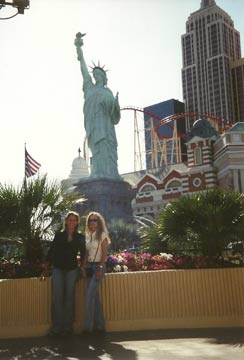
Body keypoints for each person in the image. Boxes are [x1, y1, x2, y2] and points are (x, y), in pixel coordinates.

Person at [74, 32, 121, 180]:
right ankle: (97, 173)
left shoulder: (108, 92)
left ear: (104, 77)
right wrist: (78, 47)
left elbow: (115, 117)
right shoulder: (89, 87)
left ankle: (109, 173)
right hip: (93, 123)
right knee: (97, 148)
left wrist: (116, 105)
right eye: (94, 74)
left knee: (107, 147)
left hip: (106, 125)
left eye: (99, 74)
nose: (96, 76)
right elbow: (82, 68)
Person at [44, 211, 86, 336]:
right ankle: (57, 327)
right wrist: (46, 267)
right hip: (58, 269)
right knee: (57, 297)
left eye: (74, 220)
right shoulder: (59, 235)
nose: (72, 222)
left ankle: (68, 327)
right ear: (66, 221)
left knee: (69, 298)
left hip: (72, 270)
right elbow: (51, 251)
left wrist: (82, 267)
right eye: (70, 220)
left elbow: (84, 254)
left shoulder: (80, 237)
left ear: (77, 222)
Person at [81, 211, 110, 334]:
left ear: (99, 222)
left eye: (94, 220)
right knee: (95, 298)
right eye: (90, 220)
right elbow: (87, 254)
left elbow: (104, 253)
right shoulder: (88, 236)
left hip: (98, 267)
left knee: (89, 296)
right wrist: (83, 267)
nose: (92, 222)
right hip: (89, 267)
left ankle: (87, 328)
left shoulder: (102, 235)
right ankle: (100, 326)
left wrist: (100, 268)